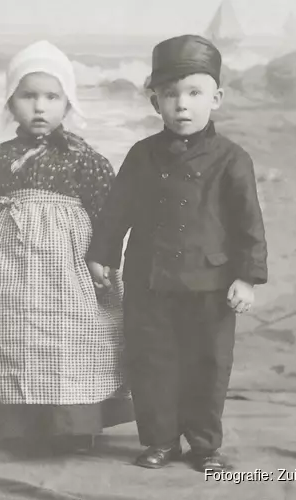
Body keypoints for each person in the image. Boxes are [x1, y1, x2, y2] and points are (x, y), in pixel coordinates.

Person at [87, 35, 268, 472]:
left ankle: (205, 446)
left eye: (194, 93)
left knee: (208, 365)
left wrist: (247, 277)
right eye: (170, 94)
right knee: (152, 362)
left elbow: (249, 223)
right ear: (155, 102)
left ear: (216, 98)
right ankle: (160, 440)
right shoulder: (141, 155)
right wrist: (102, 253)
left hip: (212, 284)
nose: (182, 105)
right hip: (149, 280)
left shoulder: (232, 159)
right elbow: (117, 211)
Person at [0, 40, 134, 452]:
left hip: (69, 264)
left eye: (51, 97)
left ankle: (77, 421)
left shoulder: (85, 157)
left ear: (67, 103)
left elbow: (109, 214)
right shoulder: (2, 158)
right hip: (11, 264)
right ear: (10, 102)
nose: (40, 107)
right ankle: (23, 423)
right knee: (13, 333)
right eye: (28, 96)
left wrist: (105, 258)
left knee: (72, 334)